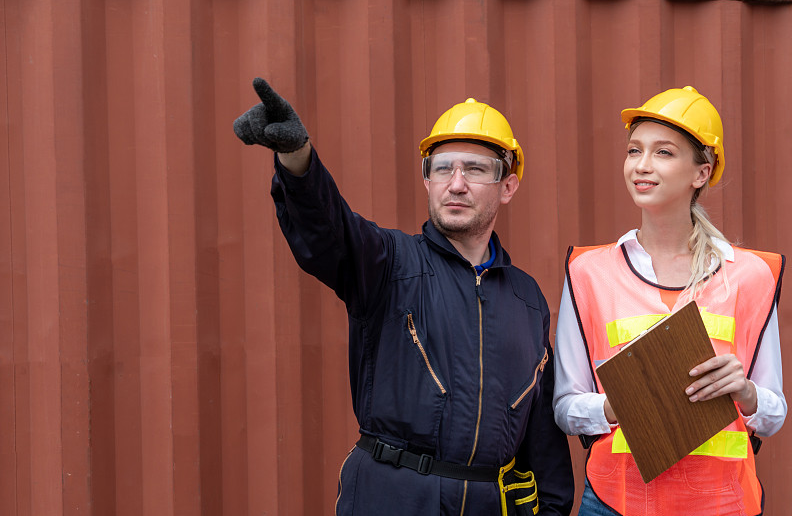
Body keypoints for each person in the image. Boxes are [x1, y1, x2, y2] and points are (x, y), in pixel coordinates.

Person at [233, 78, 574, 515]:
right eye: (443, 168)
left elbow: (542, 436)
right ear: (426, 180)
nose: (456, 183)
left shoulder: (526, 298)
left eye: (475, 168)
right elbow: (327, 231)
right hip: (390, 499)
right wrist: (298, 158)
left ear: (507, 186)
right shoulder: (388, 263)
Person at [553, 86, 786, 515]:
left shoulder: (750, 276)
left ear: (702, 172)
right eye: (633, 151)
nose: (641, 166)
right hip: (614, 502)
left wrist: (746, 392)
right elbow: (566, 406)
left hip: (724, 504)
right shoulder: (588, 272)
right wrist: (618, 404)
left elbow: (773, 414)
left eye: (663, 153)